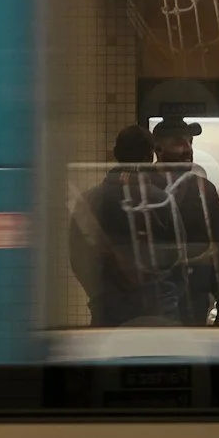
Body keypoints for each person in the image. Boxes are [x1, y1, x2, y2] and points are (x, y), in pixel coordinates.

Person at [147, 113, 219, 326]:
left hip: (193, 299)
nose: (188, 149)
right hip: (150, 302)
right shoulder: (141, 190)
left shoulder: (204, 190)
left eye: (190, 142)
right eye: (179, 142)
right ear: (158, 150)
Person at [69, 125, 156, 326]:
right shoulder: (160, 200)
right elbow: (177, 258)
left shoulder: (89, 199)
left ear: (116, 154)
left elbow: (78, 258)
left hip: (106, 311)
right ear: (149, 158)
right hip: (152, 312)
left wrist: (99, 296)